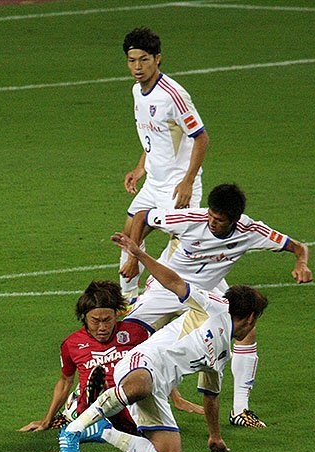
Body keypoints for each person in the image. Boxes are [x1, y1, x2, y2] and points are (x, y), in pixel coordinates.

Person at [58, 233, 268, 452]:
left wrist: (215, 436)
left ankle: (103, 431)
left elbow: (211, 396)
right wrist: (138, 254)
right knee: (140, 386)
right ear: (251, 318)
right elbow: (174, 283)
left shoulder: (222, 355)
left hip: (158, 390)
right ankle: (74, 429)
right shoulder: (215, 306)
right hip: (142, 363)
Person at [120, 182, 311, 428]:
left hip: (207, 294)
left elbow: (298, 247)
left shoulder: (251, 231)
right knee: (124, 335)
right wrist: (133, 259)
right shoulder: (190, 219)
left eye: (219, 220)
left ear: (235, 220)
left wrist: (301, 264)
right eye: (210, 215)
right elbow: (142, 216)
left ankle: (240, 410)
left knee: (246, 329)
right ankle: (89, 401)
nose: (211, 222)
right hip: (168, 287)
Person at [119, 26, 210, 303]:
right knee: (128, 234)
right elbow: (153, 137)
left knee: (183, 249)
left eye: (144, 60)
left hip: (176, 186)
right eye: (132, 60)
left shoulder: (173, 95)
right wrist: (140, 167)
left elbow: (201, 138)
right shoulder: (137, 91)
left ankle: (206, 296)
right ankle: (127, 299)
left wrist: (188, 181)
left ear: (157, 58)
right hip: (154, 182)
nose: (137, 67)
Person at [19, 280, 149, 435]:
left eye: (107, 320)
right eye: (95, 321)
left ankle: (102, 419)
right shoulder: (71, 344)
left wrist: (172, 398)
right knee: (85, 405)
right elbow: (65, 381)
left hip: (127, 399)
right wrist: (46, 420)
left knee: (130, 402)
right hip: (88, 408)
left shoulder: (136, 333)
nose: (102, 327)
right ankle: (96, 410)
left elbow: (157, 366)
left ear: (116, 315)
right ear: (84, 318)